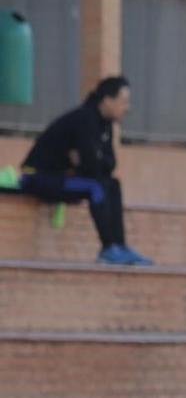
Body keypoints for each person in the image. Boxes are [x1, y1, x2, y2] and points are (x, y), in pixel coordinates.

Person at [17, 76, 151, 266]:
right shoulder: (84, 120)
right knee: (95, 186)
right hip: (37, 177)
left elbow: (109, 164)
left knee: (113, 185)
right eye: (123, 102)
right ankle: (108, 249)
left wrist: (89, 161)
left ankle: (120, 246)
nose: (127, 108)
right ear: (107, 100)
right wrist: (89, 162)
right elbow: (91, 166)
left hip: (66, 177)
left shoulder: (105, 125)